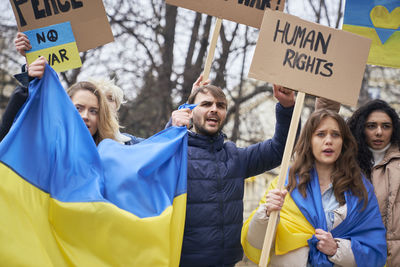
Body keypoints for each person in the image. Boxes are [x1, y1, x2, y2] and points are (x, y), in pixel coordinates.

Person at [170, 83, 296, 266]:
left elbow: (280, 149)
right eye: (206, 104)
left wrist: (287, 107)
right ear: (189, 112)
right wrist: (171, 129)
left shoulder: (235, 157)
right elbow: (148, 162)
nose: (214, 109)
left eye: (220, 105)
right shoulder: (176, 154)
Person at [241, 109, 387, 266]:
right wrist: (268, 213)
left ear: (343, 143)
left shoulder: (361, 190)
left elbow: (375, 252)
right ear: (309, 141)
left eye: (335, 135)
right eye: (321, 134)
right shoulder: (285, 182)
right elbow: (257, 242)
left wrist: (337, 249)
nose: (329, 141)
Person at [346, 99, 400, 267]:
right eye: (371, 126)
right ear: (361, 128)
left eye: (386, 126)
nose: (379, 132)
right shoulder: (347, 163)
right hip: (357, 256)